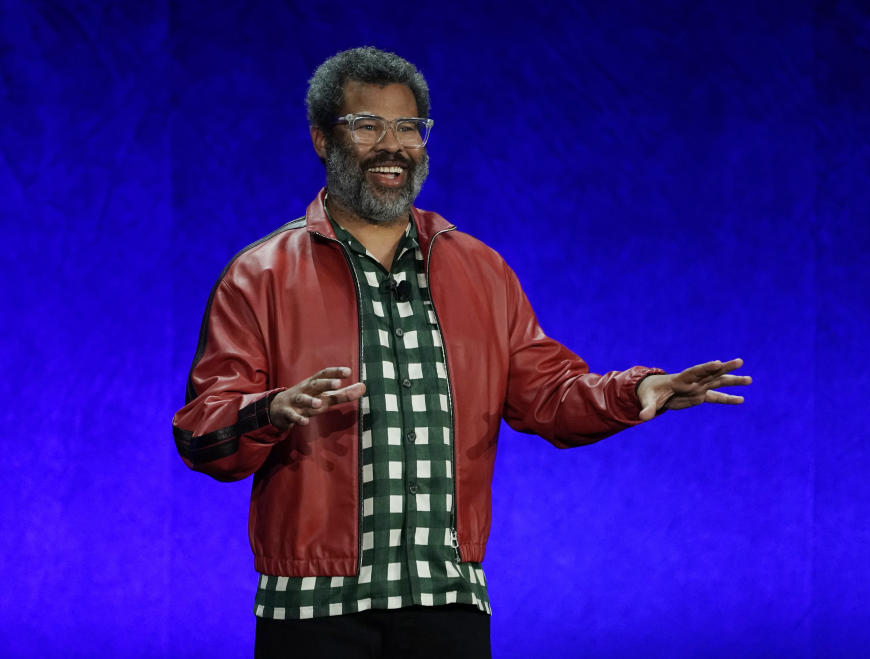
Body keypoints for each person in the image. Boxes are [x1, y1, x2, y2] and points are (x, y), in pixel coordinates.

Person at [172, 46, 751, 658]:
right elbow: (201, 433)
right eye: (367, 125)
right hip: (314, 608)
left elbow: (548, 394)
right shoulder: (259, 275)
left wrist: (635, 391)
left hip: (448, 600)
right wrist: (270, 410)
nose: (392, 144)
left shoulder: (479, 269)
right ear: (321, 139)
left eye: (409, 127)